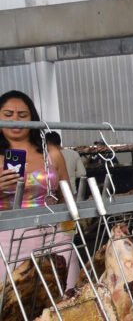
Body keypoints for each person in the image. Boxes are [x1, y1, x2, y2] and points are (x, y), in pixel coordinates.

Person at [0, 90, 79, 289]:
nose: (15, 120)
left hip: (55, 237)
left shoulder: (51, 153)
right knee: (16, 305)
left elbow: (67, 197)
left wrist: (69, 232)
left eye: (22, 115)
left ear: (33, 119)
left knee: (68, 299)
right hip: (9, 242)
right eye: (8, 115)